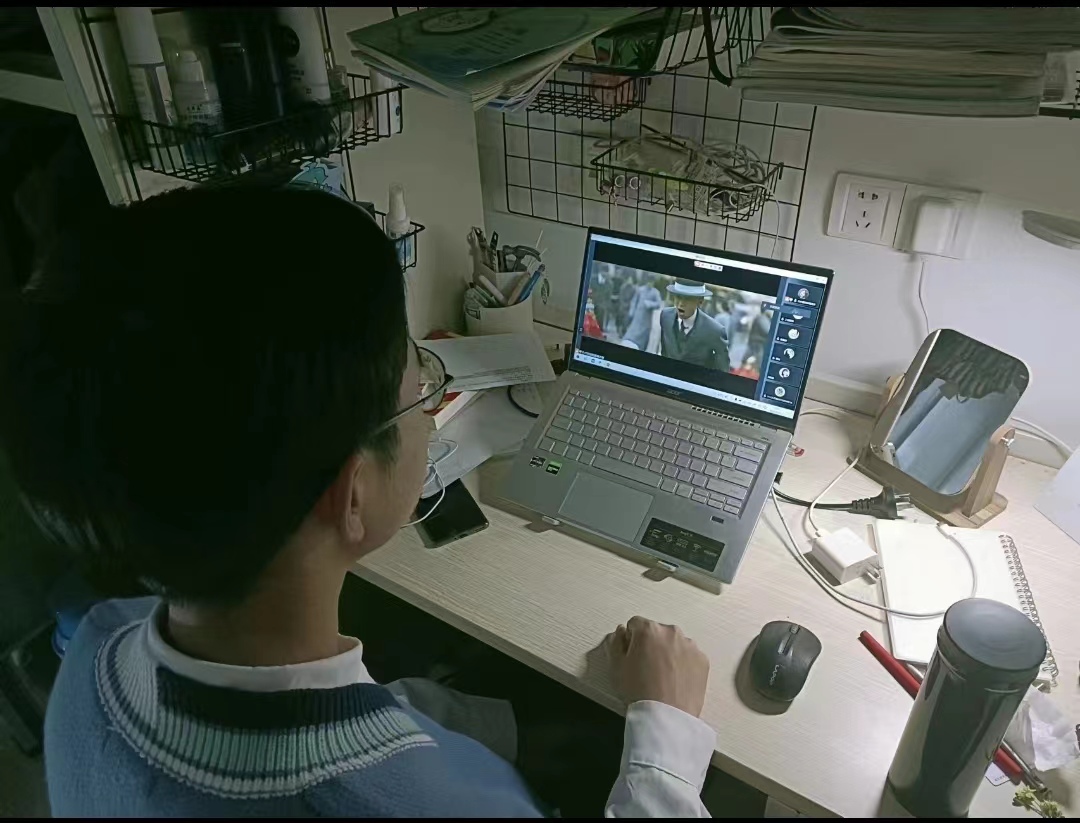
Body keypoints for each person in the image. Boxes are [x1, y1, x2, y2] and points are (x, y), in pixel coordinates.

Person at [0, 186, 717, 817]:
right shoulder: (430, 807)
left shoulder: (95, 651)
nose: (430, 414)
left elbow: (351, 712)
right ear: (352, 492)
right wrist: (665, 739)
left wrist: (493, 730)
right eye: (421, 390)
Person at [659, 279, 730, 372]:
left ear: (700, 301)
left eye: (688, 299)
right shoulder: (665, 316)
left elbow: (722, 371)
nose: (681, 303)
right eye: (678, 297)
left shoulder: (715, 331)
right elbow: (664, 352)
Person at [621, 276, 662, 351]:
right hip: (637, 316)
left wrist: (649, 304)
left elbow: (658, 304)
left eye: (651, 283)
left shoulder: (655, 292)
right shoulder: (640, 290)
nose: (650, 284)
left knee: (644, 336)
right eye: (649, 282)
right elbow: (634, 301)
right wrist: (631, 312)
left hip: (647, 318)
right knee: (632, 333)